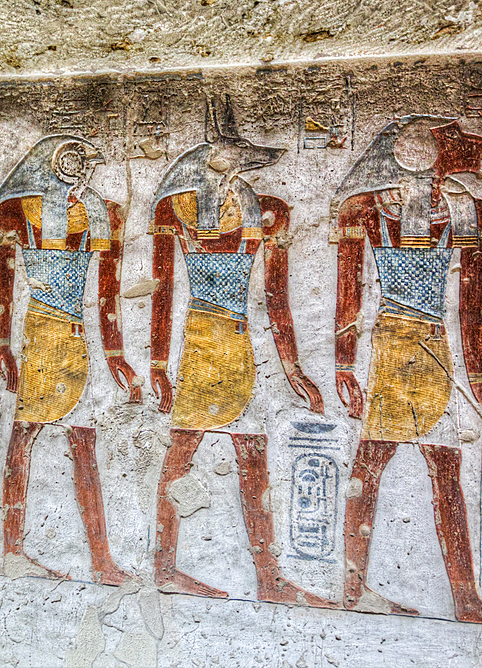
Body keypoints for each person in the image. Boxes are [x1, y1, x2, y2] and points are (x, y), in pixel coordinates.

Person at [332, 115, 482, 628]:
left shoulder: (468, 210)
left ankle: (464, 598)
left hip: (434, 348)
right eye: (459, 144)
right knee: (371, 463)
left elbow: (471, 306)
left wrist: (481, 380)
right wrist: (344, 364)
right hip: (393, 346)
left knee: (444, 471)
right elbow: (349, 297)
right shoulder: (364, 209)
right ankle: (352, 588)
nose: (474, 152)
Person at [148, 96, 331, 606]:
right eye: (222, 157)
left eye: (238, 159)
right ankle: (164, 565)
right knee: (182, 453)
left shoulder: (268, 212)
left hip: (239, 346)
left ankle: (269, 577)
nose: (230, 169)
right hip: (200, 344)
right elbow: (162, 290)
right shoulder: (175, 209)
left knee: (252, 458)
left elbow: (276, 297)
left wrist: (294, 367)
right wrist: (159, 366)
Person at [0, 135, 141, 585]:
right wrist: (2, 346)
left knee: (84, 446)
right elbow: (3, 284)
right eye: (74, 158)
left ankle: (100, 561)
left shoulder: (100, 212)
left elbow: (107, 292)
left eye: (87, 161)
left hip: (77, 341)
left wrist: (116, 355)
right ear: (52, 163)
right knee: (23, 439)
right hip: (40, 336)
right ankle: (12, 550)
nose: (84, 168)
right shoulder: (18, 214)